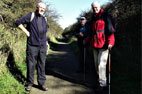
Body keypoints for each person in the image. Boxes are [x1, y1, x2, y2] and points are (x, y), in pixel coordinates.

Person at [15, 2, 48, 91]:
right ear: (37, 7)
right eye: (40, 7)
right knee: (31, 65)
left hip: (43, 46)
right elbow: (18, 22)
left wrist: (47, 43)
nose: (42, 9)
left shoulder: (45, 18)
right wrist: (26, 32)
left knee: (42, 65)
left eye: (44, 8)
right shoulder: (31, 15)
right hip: (32, 45)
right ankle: (29, 83)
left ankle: (42, 83)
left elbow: (44, 33)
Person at [84, 1, 115, 90]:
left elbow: (110, 31)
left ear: (100, 7)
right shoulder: (93, 18)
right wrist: (86, 40)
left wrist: (111, 42)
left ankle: (102, 85)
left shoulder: (106, 16)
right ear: (92, 8)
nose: (95, 9)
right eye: (93, 8)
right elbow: (91, 33)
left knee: (101, 65)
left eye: (96, 7)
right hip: (94, 45)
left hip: (104, 45)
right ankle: (100, 81)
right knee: (96, 65)